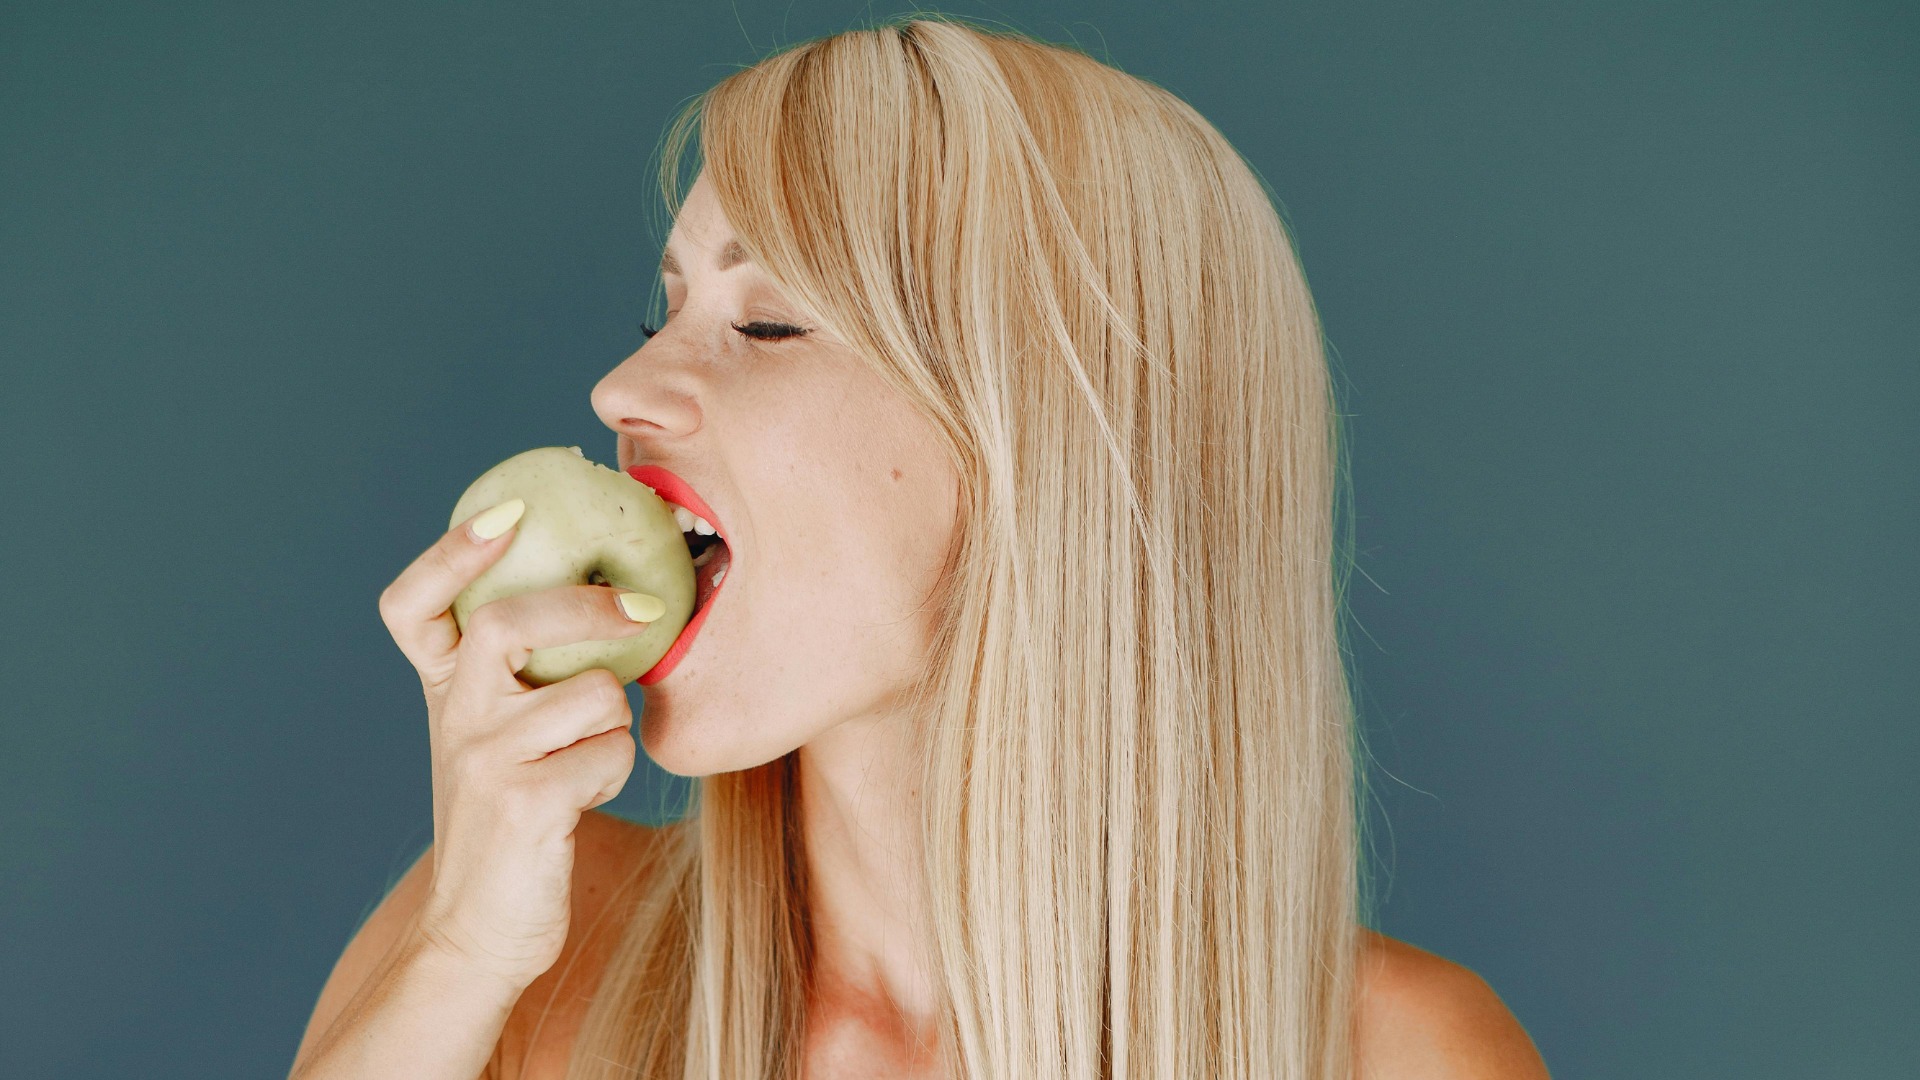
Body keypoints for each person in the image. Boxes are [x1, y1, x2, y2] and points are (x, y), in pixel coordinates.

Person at [288, 14, 1550, 1080]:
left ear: (1056, 442)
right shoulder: (514, 966)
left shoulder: (1398, 1054)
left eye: (771, 321)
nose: (623, 389)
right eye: (667, 309)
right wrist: (460, 961)